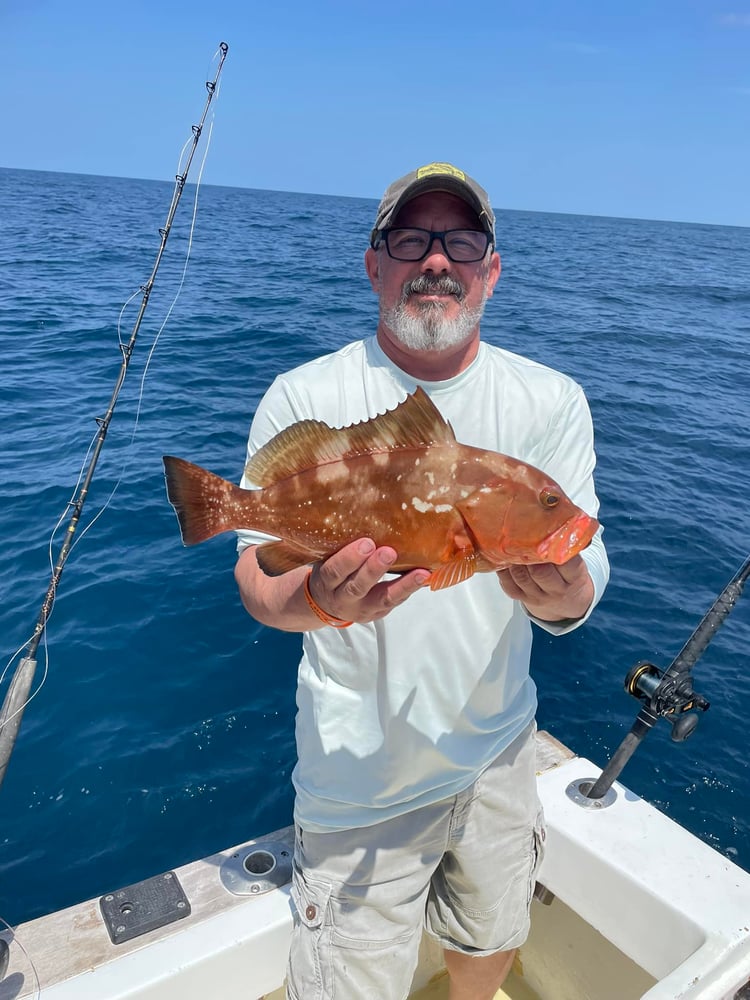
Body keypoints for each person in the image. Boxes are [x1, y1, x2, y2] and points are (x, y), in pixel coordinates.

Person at [234, 161, 609, 1000]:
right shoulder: (303, 394)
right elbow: (259, 583)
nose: (437, 258)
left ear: (491, 269)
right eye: (411, 238)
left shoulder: (551, 401)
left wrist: (570, 592)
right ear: (375, 264)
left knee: (490, 938)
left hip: (498, 758)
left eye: (463, 240)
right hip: (356, 784)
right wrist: (320, 601)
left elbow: (582, 555)